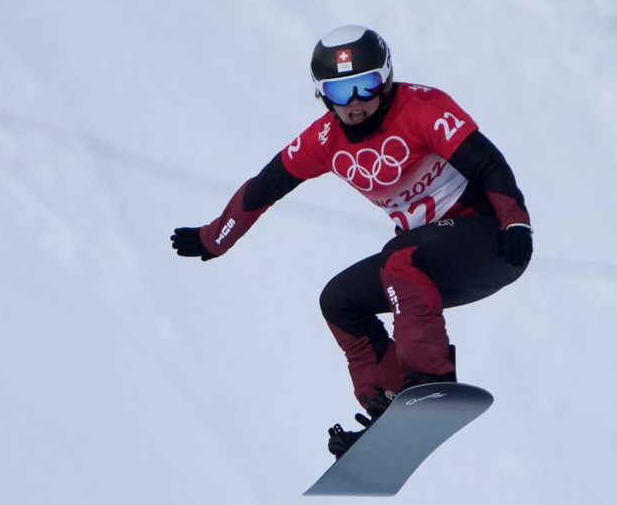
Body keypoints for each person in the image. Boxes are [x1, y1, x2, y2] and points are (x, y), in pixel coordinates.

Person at [171, 25, 532, 458]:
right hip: (431, 260)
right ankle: (392, 405)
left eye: (367, 86)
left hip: (489, 240)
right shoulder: (324, 140)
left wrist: (516, 223)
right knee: (340, 300)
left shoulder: (422, 108)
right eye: (341, 92)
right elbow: (263, 187)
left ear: (388, 78)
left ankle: (430, 381)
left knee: (398, 257)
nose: (356, 103)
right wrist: (215, 240)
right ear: (322, 94)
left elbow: (489, 163)